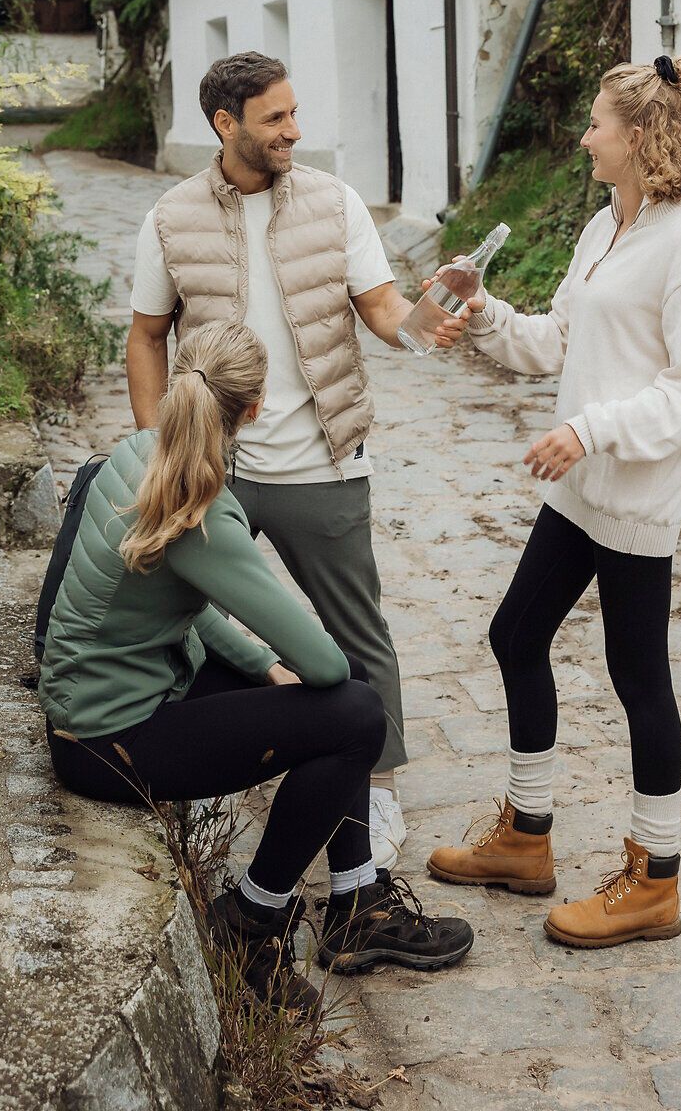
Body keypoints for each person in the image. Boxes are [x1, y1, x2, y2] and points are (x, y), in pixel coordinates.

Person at [40, 319, 473, 1014]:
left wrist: (267, 667)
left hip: (104, 707)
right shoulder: (201, 511)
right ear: (253, 409)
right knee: (356, 712)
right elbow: (324, 664)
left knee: (340, 697)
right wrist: (289, 664)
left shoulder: (141, 453)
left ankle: (356, 899)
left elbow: (192, 610)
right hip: (110, 743)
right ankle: (251, 918)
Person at [127, 53, 466, 871]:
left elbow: (382, 310)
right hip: (217, 469)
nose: (293, 130)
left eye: (293, 113)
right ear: (226, 124)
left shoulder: (334, 203)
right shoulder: (170, 218)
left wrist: (426, 321)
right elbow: (146, 335)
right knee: (178, 616)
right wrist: (154, 446)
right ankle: (203, 760)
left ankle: (377, 791)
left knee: (357, 631)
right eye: (275, 117)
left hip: (324, 461)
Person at [427, 56, 681, 949]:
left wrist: (590, 430)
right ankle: (526, 839)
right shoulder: (605, 227)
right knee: (516, 636)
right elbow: (559, 340)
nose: (585, 136)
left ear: (636, 136)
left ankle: (654, 882)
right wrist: (484, 311)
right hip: (580, 491)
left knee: (639, 680)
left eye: (597, 123)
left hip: (634, 495)